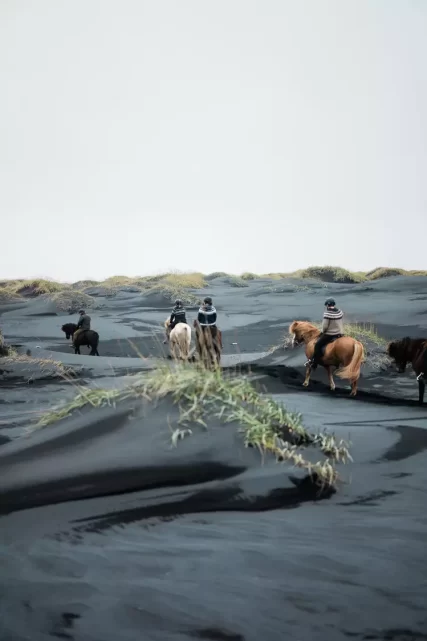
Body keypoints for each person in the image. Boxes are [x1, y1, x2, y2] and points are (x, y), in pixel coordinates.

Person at [306, 298, 344, 370]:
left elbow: (325, 326)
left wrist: (322, 332)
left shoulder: (327, 313)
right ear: (333, 304)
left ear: (327, 305)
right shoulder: (340, 312)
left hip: (330, 334)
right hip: (340, 333)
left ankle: (315, 363)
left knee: (317, 345)